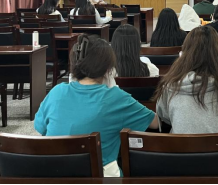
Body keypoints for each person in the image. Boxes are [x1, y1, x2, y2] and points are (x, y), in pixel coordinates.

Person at [34, 35, 159, 177]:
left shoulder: (56, 92)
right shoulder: (115, 97)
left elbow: (41, 129)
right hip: (100, 177)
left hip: (54, 175)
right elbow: (155, 123)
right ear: (108, 68)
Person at [155, 26, 218, 176]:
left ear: (185, 52)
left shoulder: (170, 83)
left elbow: (164, 115)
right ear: (217, 51)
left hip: (180, 164)